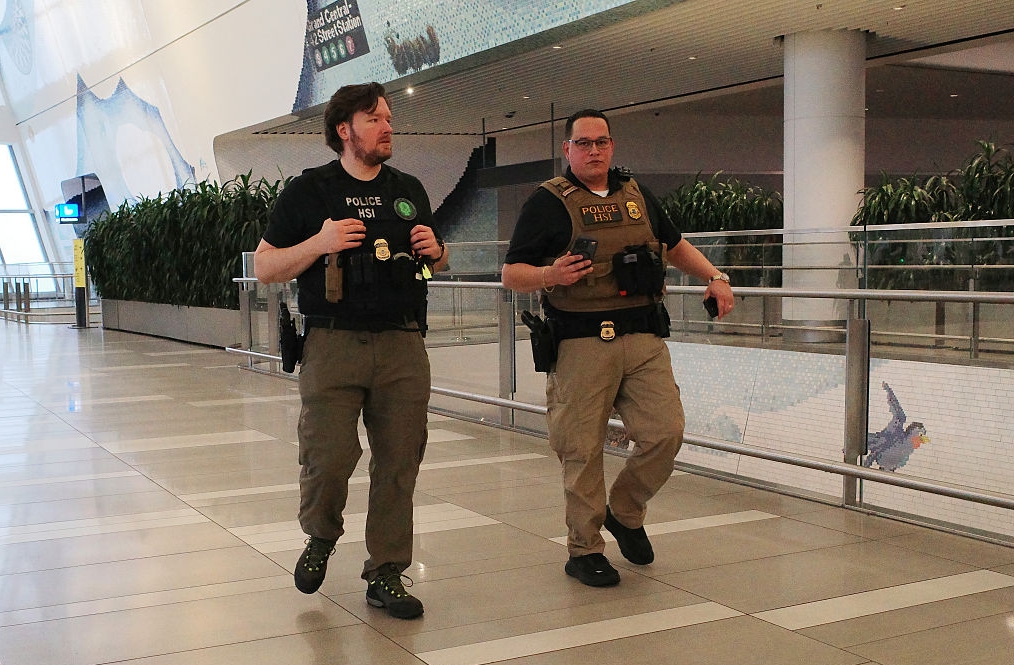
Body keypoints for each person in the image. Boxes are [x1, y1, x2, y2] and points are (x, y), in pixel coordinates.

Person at [501, 109, 733, 587]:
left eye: (602, 142)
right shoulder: (548, 203)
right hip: (581, 341)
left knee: (666, 432)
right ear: (567, 150)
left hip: (644, 337)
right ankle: (584, 549)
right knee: (582, 450)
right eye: (583, 143)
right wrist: (550, 276)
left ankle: (625, 512)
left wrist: (715, 275)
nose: (594, 151)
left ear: (613, 146)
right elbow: (510, 274)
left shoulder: (637, 195)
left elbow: (673, 244)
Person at [254, 82, 448, 618]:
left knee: (400, 460)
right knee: (330, 454)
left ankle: (386, 571)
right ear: (344, 130)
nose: (388, 127)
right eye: (374, 118)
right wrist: (320, 243)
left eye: (388, 118)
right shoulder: (310, 191)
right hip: (333, 341)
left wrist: (438, 253)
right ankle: (320, 537)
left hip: (403, 342)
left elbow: (427, 266)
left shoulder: (409, 189)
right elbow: (265, 267)